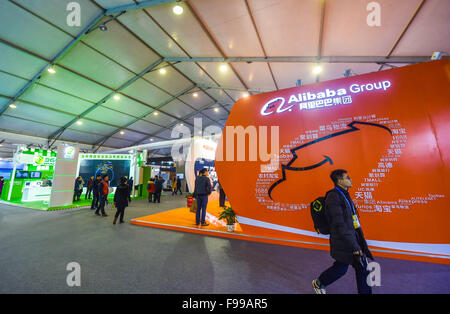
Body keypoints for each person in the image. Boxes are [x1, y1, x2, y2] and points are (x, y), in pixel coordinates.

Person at [312, 169, 374, 295]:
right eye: (347, 177)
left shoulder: (344, 195)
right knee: (343, 268)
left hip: (351, 238)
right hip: (344, 241)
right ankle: (319, 283)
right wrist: (354, 245)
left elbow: (349, 220)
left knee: (357, 268)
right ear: (340, 181)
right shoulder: (333, 197)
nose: (350, 180)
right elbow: (339, 224)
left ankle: (319, 282)